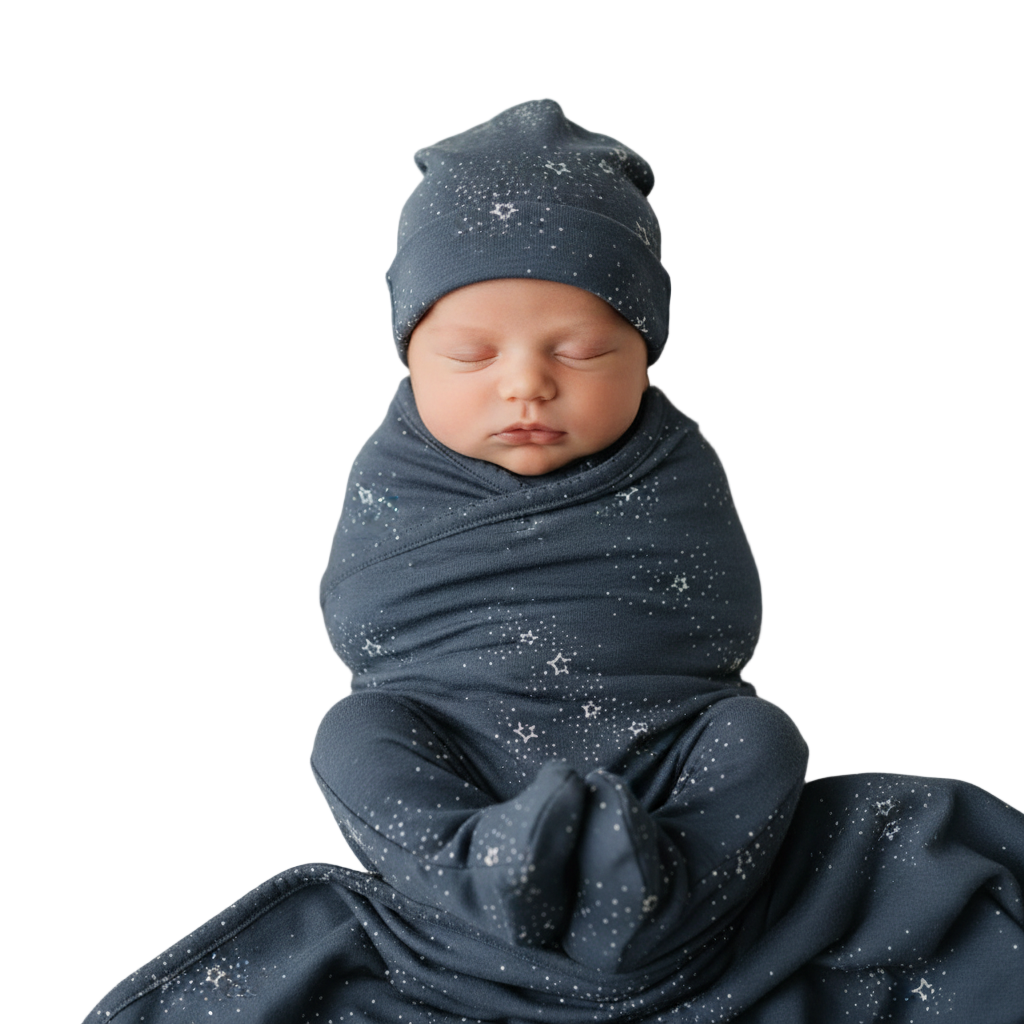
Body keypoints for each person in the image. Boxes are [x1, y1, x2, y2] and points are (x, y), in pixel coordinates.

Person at [311, 95, 811, 973]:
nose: (528, 387)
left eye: (579, 353)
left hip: (659, 746)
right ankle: (483, 872)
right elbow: (365, 621)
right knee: (352, 736)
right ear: (408, 355)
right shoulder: (396, 469)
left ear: (648, 350)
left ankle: (659, 893)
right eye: (472, 356)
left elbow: (722, 623)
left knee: (761, 736)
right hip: (450, 742)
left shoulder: (673, 459)